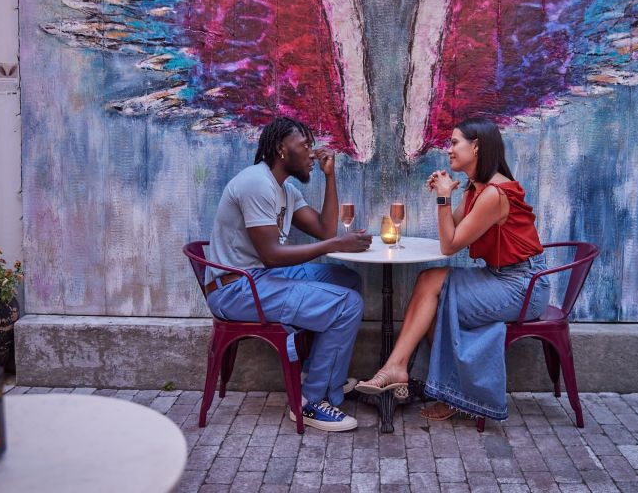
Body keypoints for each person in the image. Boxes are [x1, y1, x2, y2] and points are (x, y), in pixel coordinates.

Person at [356, 116, 548, 422]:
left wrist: (444, 198)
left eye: (455, 142)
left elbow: (449, 245)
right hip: (502, 277)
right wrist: (447, 198)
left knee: (439, 299)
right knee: (429, 279)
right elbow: (453, 229)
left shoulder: (495, 195)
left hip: (522, 285)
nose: (449, 150)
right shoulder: (478, 189)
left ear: (476, 147)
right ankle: (404, 370)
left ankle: (416, 377)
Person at [205, 117, 372, 432]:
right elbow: (271, 255)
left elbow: (324, 230)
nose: (312, 153)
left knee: (346, 279)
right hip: (238, 288)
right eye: (305, 145)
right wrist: (337, 243)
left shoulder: (286, 190)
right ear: (282, 149)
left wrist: (330, 177)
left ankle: (319, 378)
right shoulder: (256, 183)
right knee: (346, 305)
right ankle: (309, 402)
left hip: (259, 278)